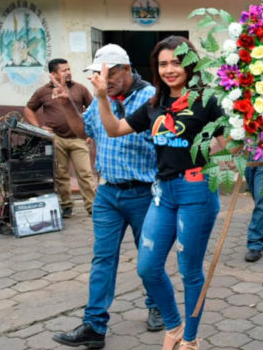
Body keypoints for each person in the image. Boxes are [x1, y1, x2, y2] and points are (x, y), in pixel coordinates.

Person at [92, 36, 226, 350]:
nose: (169, 69)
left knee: (189, 270)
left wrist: (240, 132)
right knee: (148, 267)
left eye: (176, 62)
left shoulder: (207, 101)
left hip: (197, 190)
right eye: (163, 63)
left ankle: (190, 339)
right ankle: (175, 326)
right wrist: (100, 97)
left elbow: (228, 148)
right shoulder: (154, 104)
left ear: (190, 64)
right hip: (162, 192)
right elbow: (114, 129)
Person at [51, 44, 163, 348]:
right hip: (108, 194)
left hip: (142, 192)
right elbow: (80, 130)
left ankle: (156, 306)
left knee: (149, 258)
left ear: (126, 69)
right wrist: (65, 104)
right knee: (103, 258)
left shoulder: (151, 97)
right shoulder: (104, 98)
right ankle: (94, 325)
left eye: (109, 73)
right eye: (99, 74)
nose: (103, 79)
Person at [25, 58, 97, 216]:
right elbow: (29, 109)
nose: (68, 72)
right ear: (53, 74)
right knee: (61, 174)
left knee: (85, 174)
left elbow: (93, 109)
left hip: (79, 139)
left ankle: (92, 207)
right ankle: (66, 206)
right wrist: (39, 128)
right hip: (55, 139)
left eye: (69, 69)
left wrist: (89, 130)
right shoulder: (43, 91)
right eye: (64, 70)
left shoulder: (80, 89)